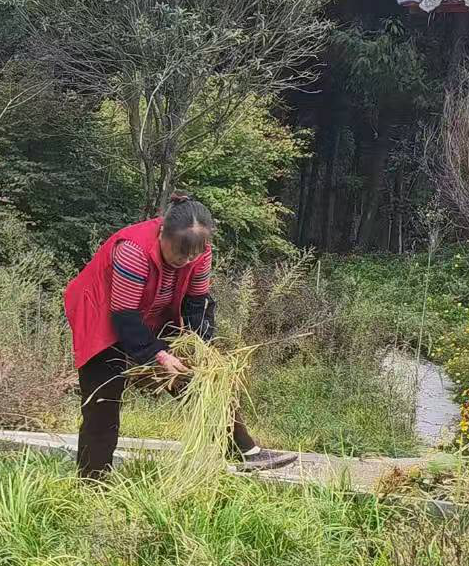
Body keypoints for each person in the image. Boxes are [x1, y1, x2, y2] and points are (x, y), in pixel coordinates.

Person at [61, 199, 297, 479]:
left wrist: (204, 348)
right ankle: (93, 481)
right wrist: (158, 355)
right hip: (102, 316)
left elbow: (197, 303)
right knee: (103, 401)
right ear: (162, 232)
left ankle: (244, 452)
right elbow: (124, 316)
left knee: (202, 379)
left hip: (153, 312)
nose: (183, 261)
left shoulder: (200, 252)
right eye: (177, 253)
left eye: (191, 256)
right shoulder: (132, 252)